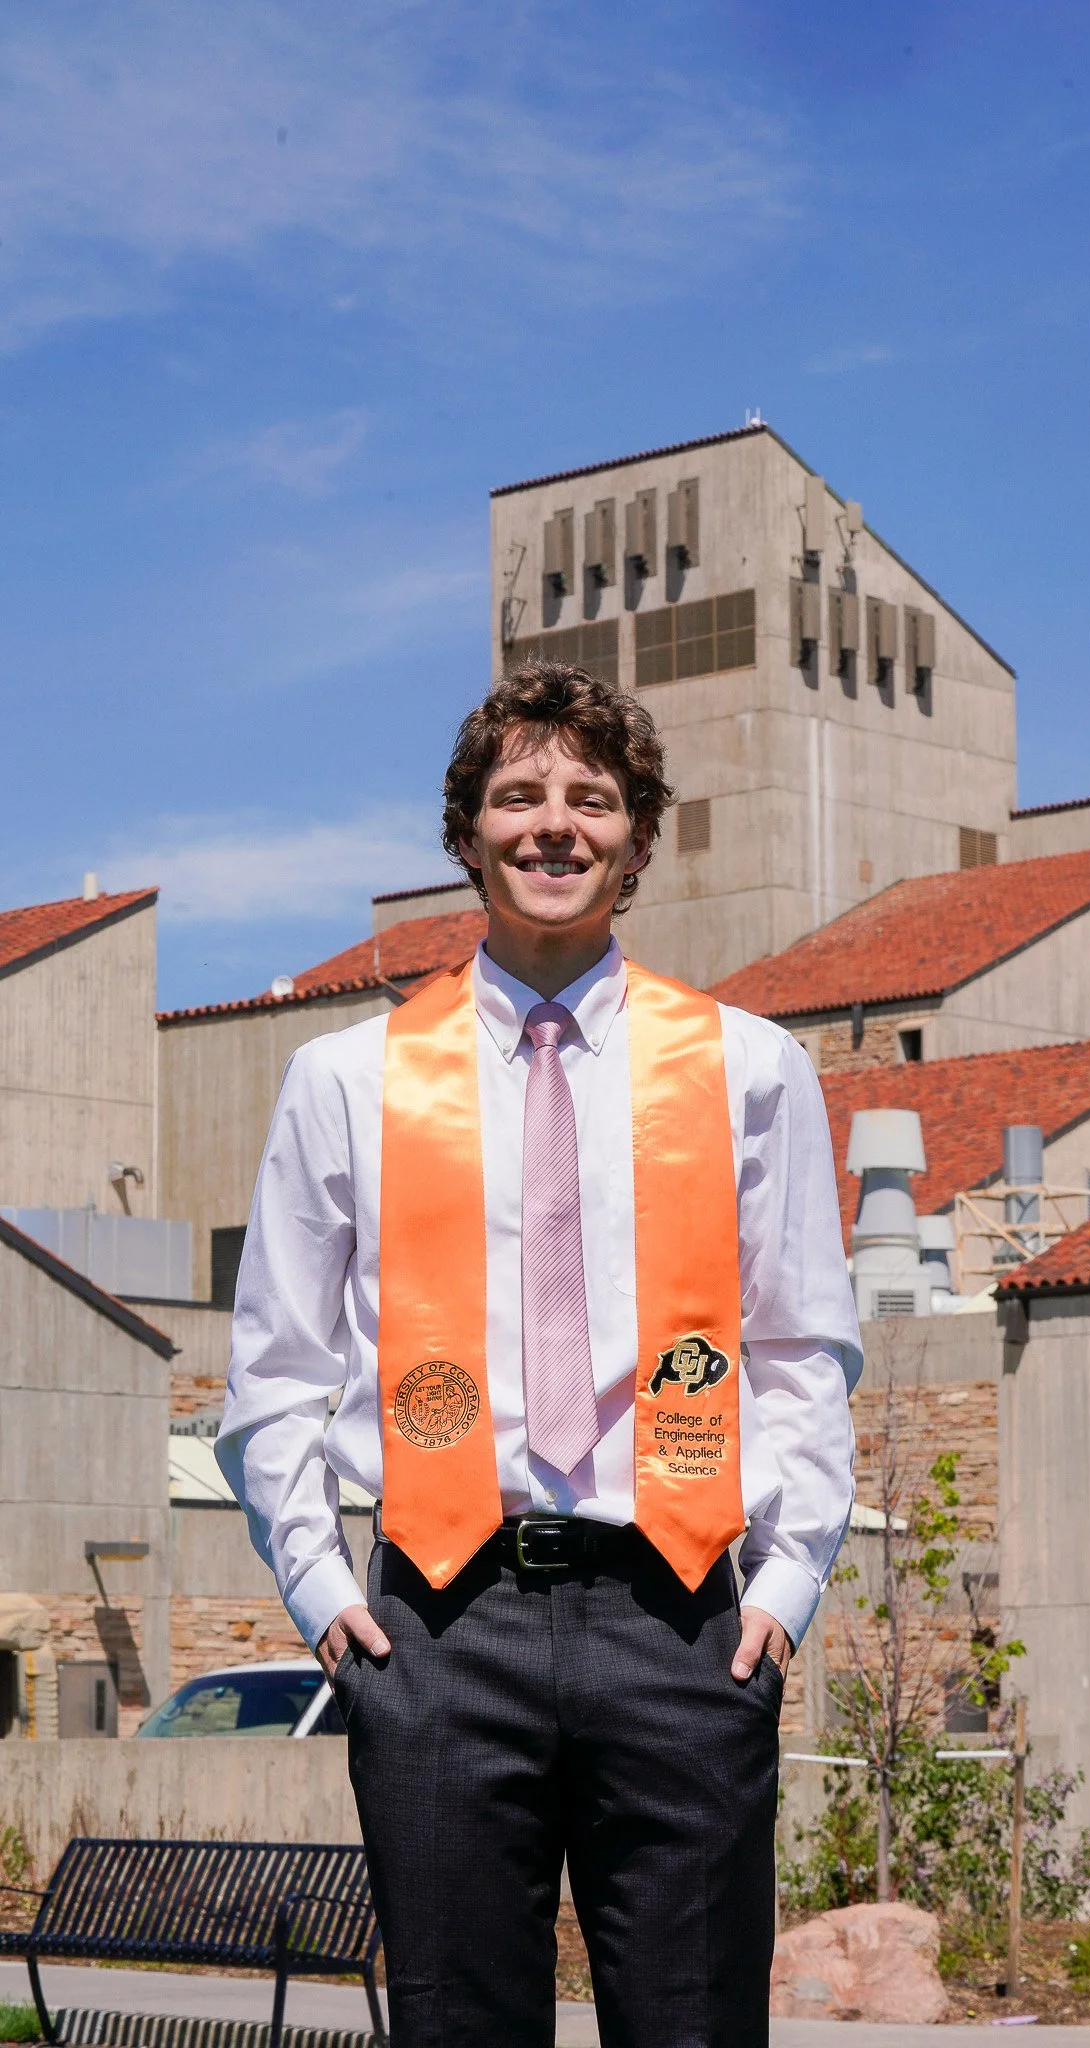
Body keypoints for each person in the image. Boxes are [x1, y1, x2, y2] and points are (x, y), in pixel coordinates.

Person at [217, 660, 862, 2048]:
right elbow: (276, 1364)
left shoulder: (749, 1069)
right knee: (458, 2026)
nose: (552, 824)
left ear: (636, 834)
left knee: (691, 2022)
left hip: (681, 1613)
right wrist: (323, 1586)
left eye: (591, 796)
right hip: (442, 1624)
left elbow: (804, 1344)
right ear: (466, 835)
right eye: (517, 795)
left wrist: (791, 1577)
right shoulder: (351, 1076)